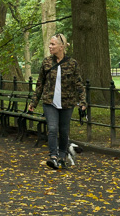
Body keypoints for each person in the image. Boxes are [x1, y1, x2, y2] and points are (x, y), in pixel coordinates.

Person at [29, 34, 87, 170]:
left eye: (53, 44)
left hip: (67, 103)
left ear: (61, 47)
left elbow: (79, 84)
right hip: (50, 102)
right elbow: (40, 84)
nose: (50, 46)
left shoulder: (72, 63)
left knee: (64, 130)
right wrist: (33, 102)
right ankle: (53, 157)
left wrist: (83, 102)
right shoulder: (46, 63)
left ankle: (62, 156)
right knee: (53, 129)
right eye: (50, 44)